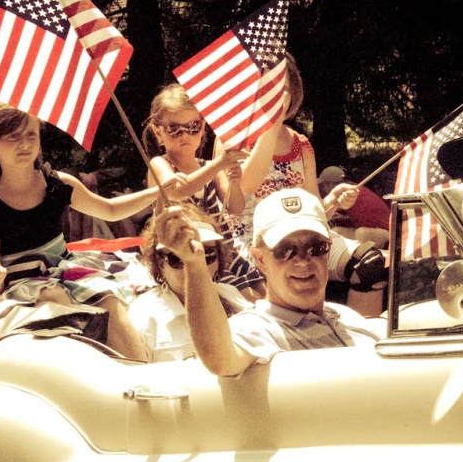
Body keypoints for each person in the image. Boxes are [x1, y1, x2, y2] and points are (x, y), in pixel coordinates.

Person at [0, 100, 179, 360]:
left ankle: (141, 368)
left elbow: (110, 209)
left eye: (30, 135)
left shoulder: (57, 184)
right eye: (12, 137)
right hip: (21, 281)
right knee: (56, 298)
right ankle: (102, 367)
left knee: (109, 299)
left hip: (65, 269)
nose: (23, 144)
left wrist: (157, 191)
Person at [215, 53, 387, 315]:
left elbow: (312, 209)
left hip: (305, 234)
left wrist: (333, 201)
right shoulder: (230, 139)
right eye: (266, 89)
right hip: (256, 242)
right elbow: (246, 187)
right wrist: (271, 125)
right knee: (284, 295)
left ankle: (356, 337)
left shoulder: (301, 145)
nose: (275, 97)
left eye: (279, 89)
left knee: (370, 264)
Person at [155, 188, 385, 377]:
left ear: (329, 249)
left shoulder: (346, 316)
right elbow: (220, 360)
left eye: (316, 247)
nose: (303, 261)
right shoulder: (256, 328)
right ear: (260, 259)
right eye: (285, 250)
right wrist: (194, 263)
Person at [142, 83, 265, 301]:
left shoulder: (207, 167)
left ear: (202, 127)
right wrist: (218, 164)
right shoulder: (160, 165)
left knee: (266, 292)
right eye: (174, 129)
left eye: (193, 127)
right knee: (246, 299)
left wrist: (235, 182)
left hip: (223, 250)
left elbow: (235, 208)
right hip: (185, 254)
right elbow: (179, 191)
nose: (184, 135)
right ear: (158, 132)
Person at [128, 204, 251, 362]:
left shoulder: (232, 296)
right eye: (178, 258)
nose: (196, 261)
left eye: (208, 254)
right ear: (160, 263)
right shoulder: (143, 315)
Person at [318, 165, 390, 249]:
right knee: (335, 232)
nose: (322, 189)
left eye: (322, 186)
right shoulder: (353, 188)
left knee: (361, 234)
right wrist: (345, 218)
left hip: (387, 233)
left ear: (330, 185)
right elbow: (363, 216)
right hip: (373, 229)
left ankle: (358, 260)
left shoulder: (348, 193)